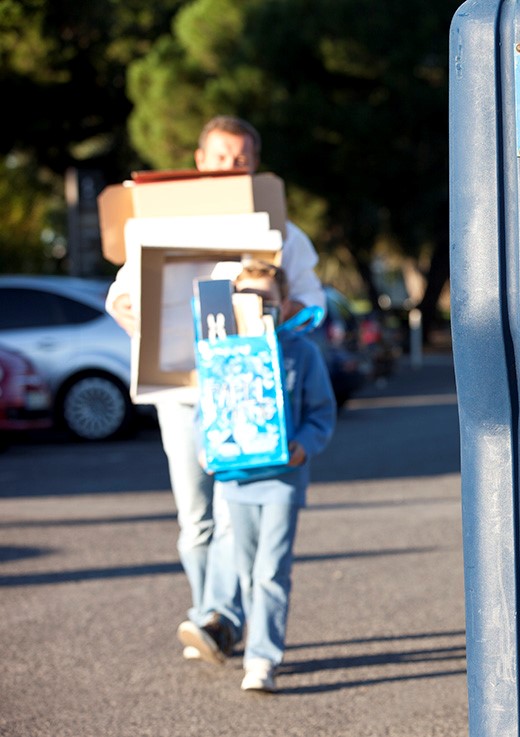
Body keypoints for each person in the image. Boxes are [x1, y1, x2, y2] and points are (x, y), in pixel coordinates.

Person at [105, 115, 326, 664]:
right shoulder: (158, 224)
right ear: (200, 161)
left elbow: (316, 307)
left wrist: (277, 309)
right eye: (222, 157)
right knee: (195, 519)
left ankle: (217, 619)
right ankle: (209, 613)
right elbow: (120, 296)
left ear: (254, 164)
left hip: (244, 389)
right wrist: (124, 307)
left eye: (242, 158)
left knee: (231, 511)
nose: (232, 166)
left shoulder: (281, 230)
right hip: (177, 390)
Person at [182, 259, 336, 692]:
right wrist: (204, 447)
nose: (258, 307)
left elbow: (322, 411)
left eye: (266, 299)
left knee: (271, 571)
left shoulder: (301, 352)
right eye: (247, 299)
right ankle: (248, 642)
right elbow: (204, 412)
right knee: (247, 571)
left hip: (282, 481)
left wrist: (305, 445)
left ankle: (263, 659)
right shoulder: (220, 352)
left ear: (284, 303)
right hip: (235, 479)